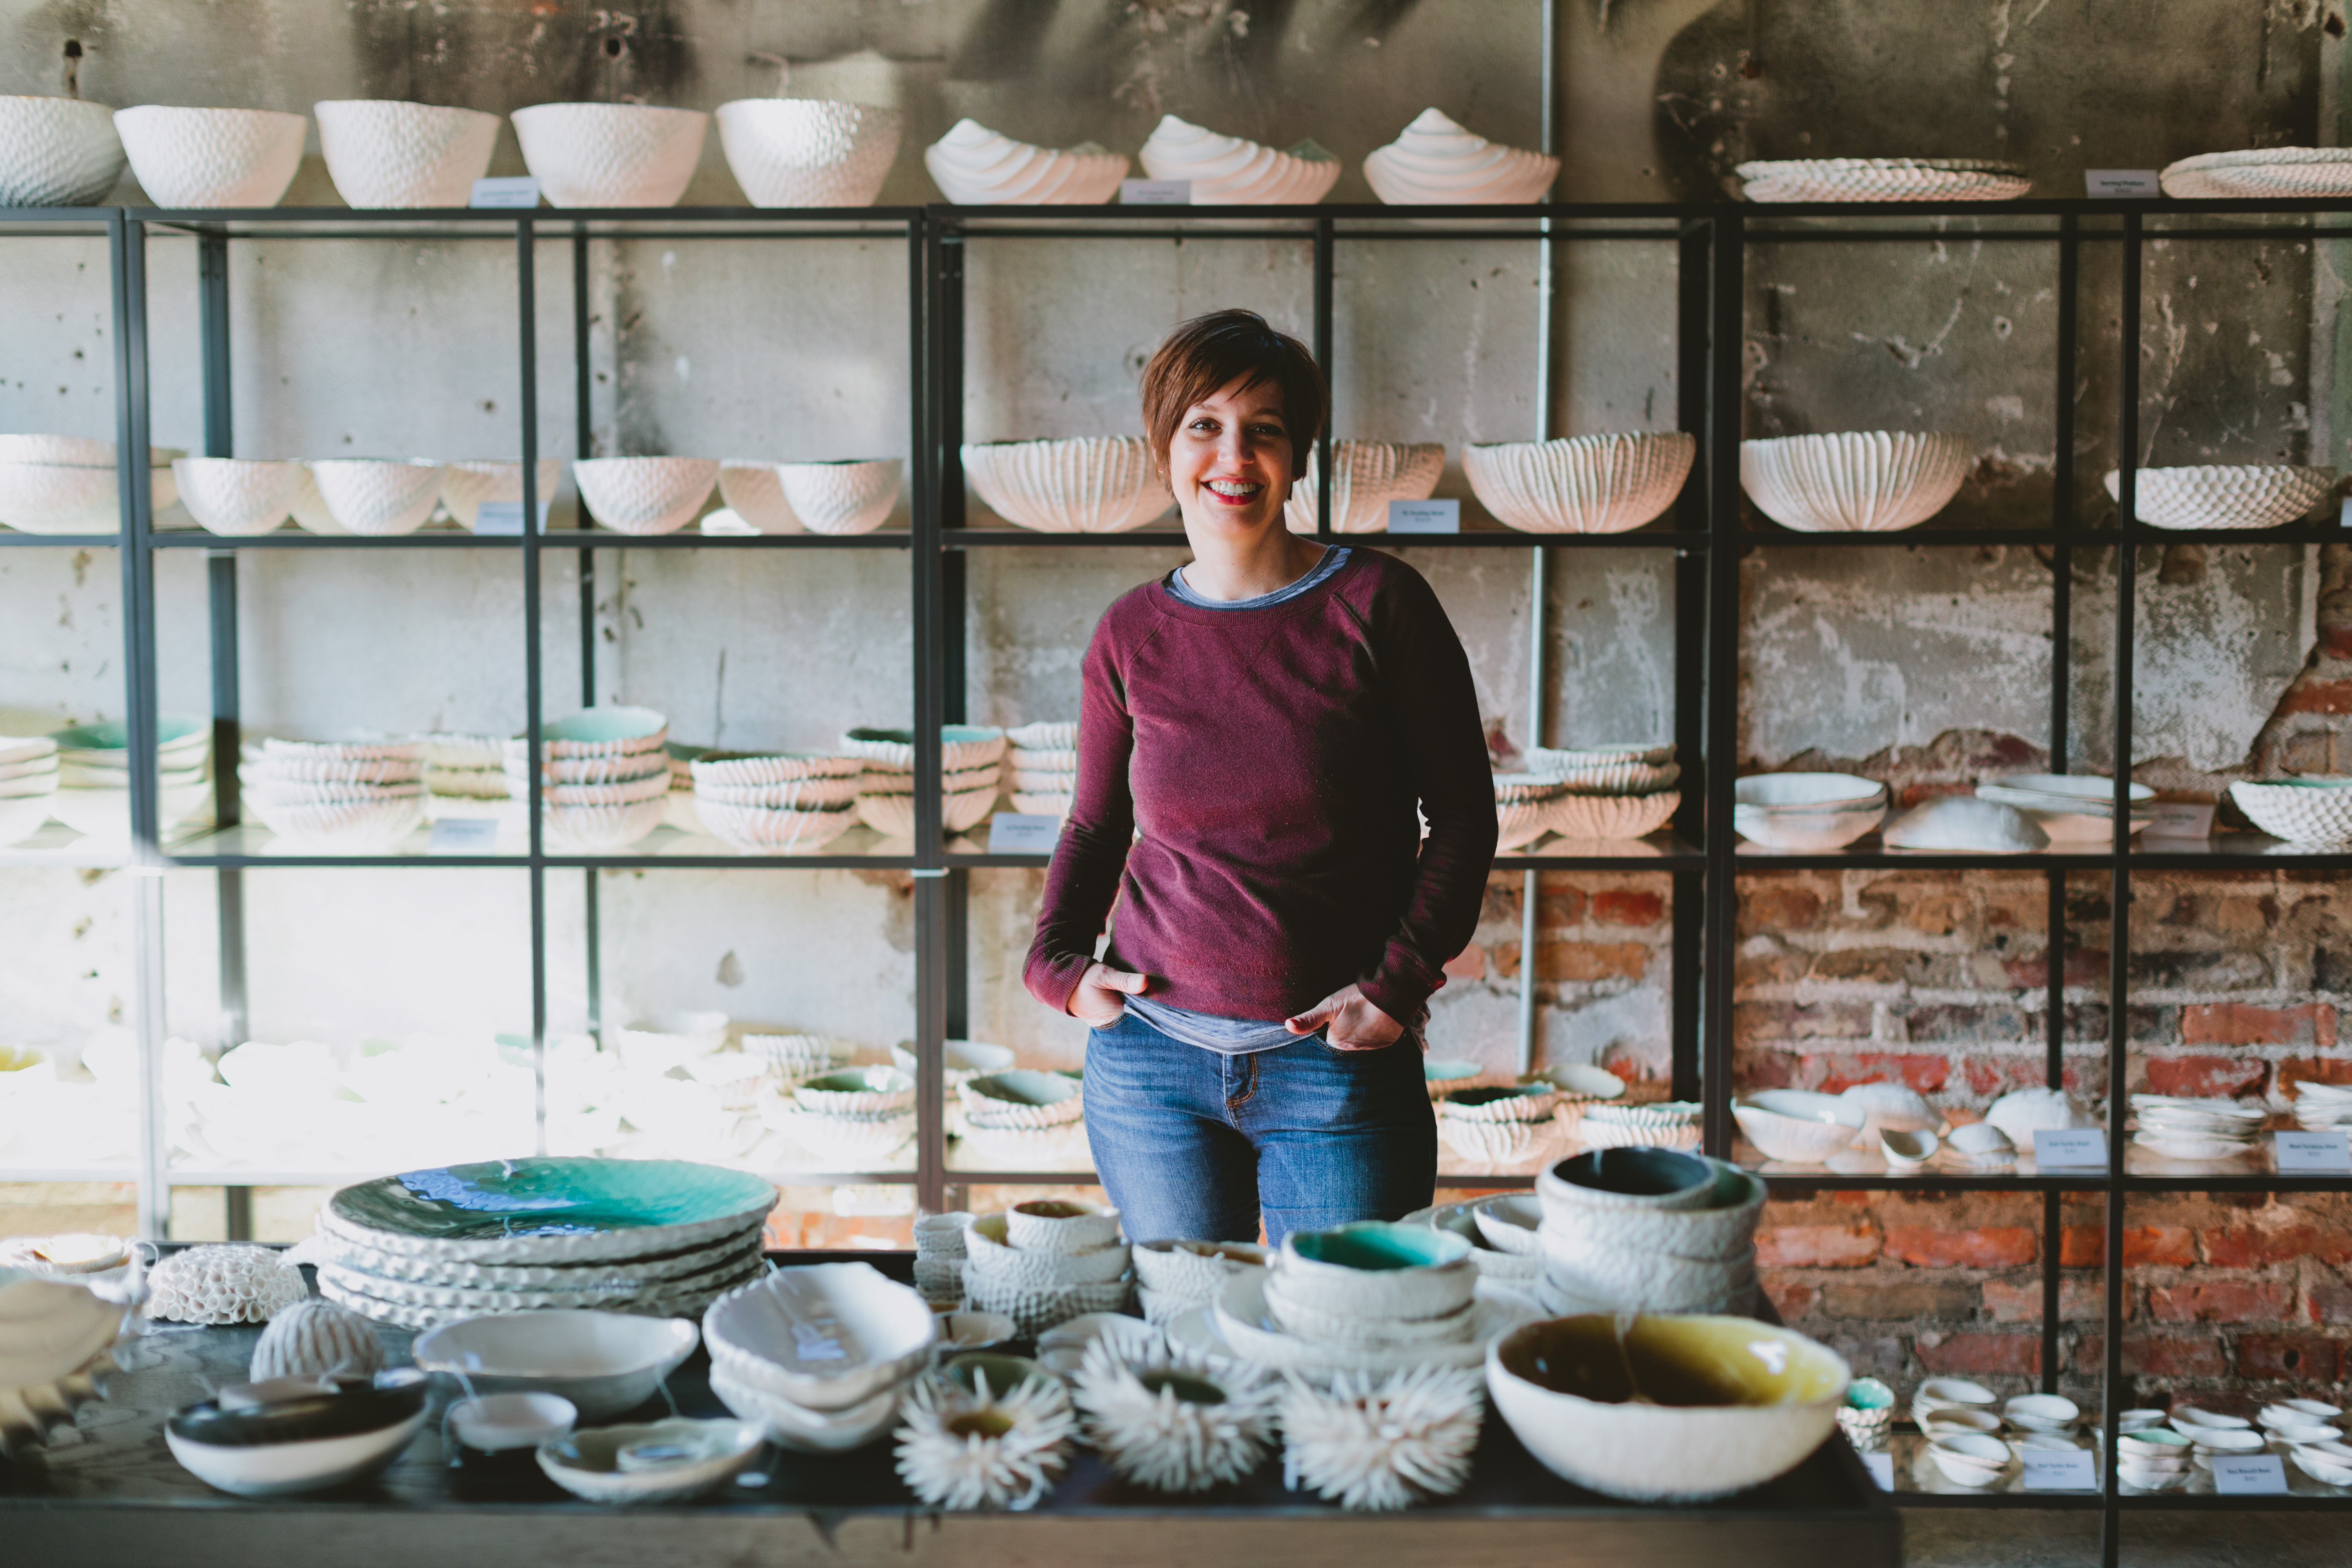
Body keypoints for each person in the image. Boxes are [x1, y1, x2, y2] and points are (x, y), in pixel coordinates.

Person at [1021, 308, 1497, 1246]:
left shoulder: (1380, 605)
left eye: (1264, 429)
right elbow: (1094, 828)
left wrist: (1396, 988)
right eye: (1203, 423)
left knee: (1349, 1356)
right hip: (1152, 1075)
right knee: (1190, 1354)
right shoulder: (1129, 633)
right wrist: (1056, 967)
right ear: (1164, 444)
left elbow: (1466, 819)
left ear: (1298, 454)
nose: (1232, 454)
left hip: (1334, 1066)